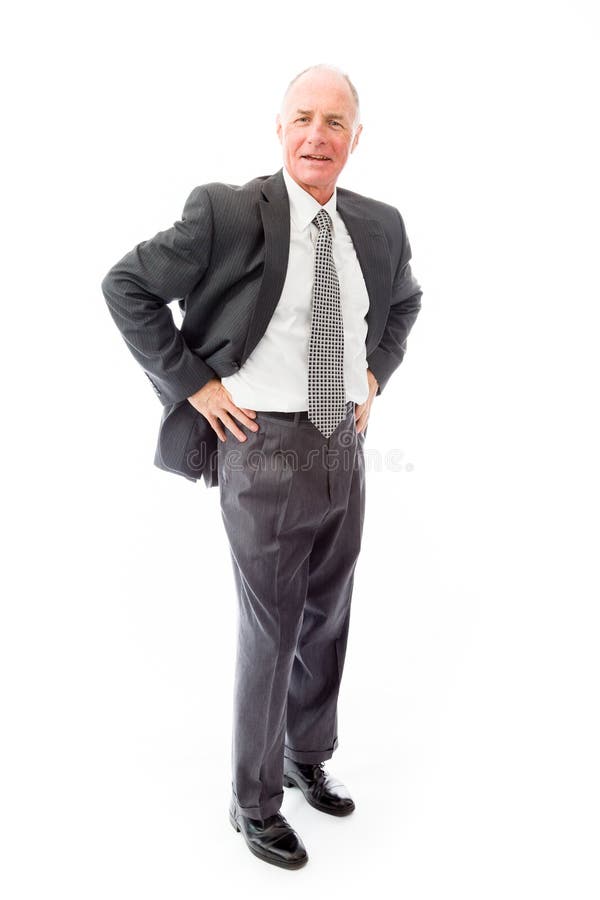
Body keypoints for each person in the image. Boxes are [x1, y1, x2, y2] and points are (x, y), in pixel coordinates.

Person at [101, 63, 422, 870]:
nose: (318, 135)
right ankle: (252, 804)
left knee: (329, 610)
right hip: (262, 446)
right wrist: (193, 384)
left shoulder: (379, 226)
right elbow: (127, 285)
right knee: (271, 626)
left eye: (336, 123)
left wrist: (376, 372)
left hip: (342, 445)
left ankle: (305, 753)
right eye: (303, 119)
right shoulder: (230, 210)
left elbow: (407, 303)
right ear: (279, 129)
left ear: (356, 138)